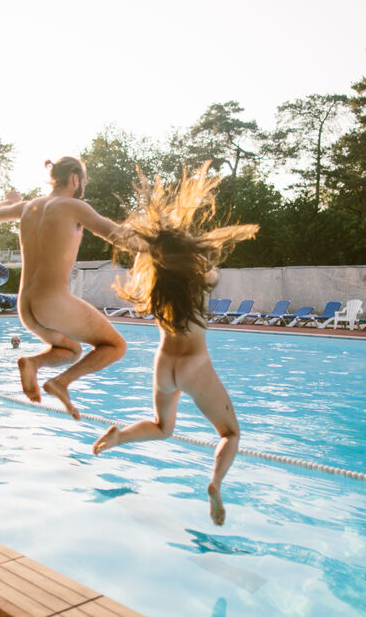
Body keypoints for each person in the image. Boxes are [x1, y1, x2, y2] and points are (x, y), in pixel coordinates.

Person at [92, 161, 258, 525]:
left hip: (164, 364)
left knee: (162, 427)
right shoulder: (202, 278)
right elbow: (208, 267)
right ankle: (215, 483)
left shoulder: (154, 283)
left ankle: (120, 437)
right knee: (230, 433)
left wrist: (153, 244)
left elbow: (142, 255)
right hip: (194, 365)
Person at [0, 156, 135, 419]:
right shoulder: (74, 206)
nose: (84, 185)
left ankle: (33, 363)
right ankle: (61, 382)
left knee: (72, 350)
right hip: (53, 303)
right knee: (116, 346)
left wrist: (7, 200)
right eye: (84, 180)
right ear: (75, 179)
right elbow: (116, 235)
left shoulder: (28, 206)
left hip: (25, 307)